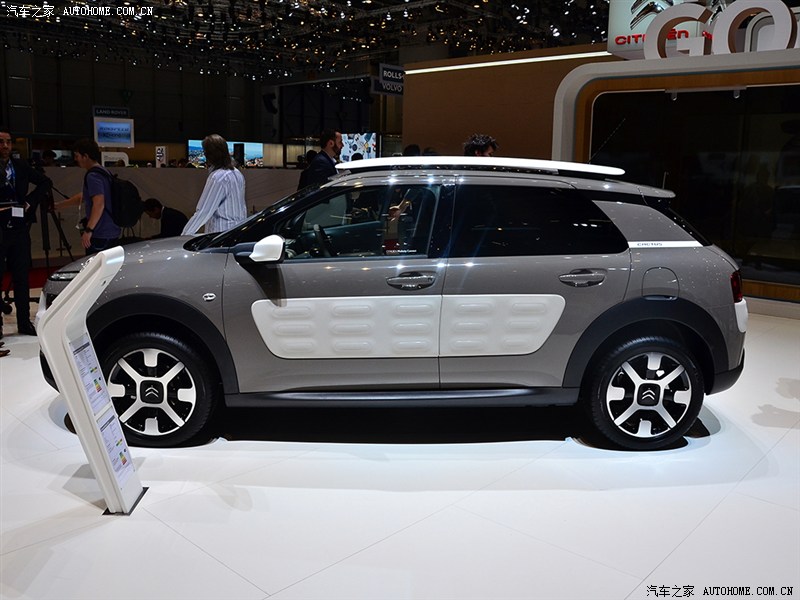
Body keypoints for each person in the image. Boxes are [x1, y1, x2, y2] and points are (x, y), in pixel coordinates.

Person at [0, 125, 52, 338]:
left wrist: (30, 201)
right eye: (1, 142)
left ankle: (24, 322)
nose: (5, 146)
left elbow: (45, 182)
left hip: (19, 226)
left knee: (22, 275)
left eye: (8, 142)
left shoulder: (20, 165)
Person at [182, 134, 246, 235]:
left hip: (220, 234)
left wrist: (184, 235)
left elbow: (204, 211)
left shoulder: (217, 177)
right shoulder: (237, 174)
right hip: (237, 232)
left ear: (210, 154)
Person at [73, 138, 121, 255]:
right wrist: (59, 205)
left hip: (100, 233)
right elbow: (84, 197)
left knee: (97, 265)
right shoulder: (104, 172)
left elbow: (99, 203)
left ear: (85, 156)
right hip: (112, 229)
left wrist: (89, 230)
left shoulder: (93, 176)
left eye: (77, 156)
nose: (75, 159)